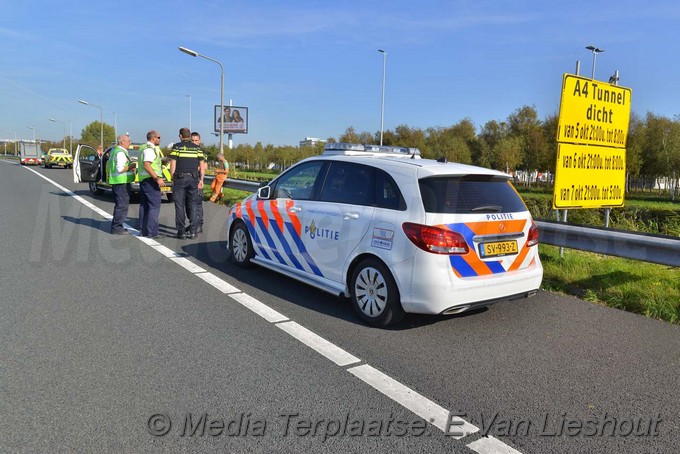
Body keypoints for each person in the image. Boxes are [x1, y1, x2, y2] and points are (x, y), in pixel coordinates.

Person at [169, 127, 204, 239]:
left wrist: (172, 177)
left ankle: (181, 232)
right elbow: (202, 166)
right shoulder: (197, 148)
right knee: (193, 204)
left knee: (180, 206)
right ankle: (193, 232)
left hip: (180, 178)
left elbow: (172, 164)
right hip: (193, 179)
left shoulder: (177, 147)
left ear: (180, 136)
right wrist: (201, 179)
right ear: (189, 136)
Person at [137, 130, 165, 238]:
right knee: (154, 206)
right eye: (158, 137)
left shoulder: (143, 147)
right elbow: (147, 165)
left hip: (144, 180)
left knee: (144, 206)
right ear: (153, 138)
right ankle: (151, 232)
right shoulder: (149, 149)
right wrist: (157, 178)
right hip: (151, 181)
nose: (160, 139)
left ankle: (143, 230)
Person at [108, 134, 136, 234]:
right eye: (128, 140)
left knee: (120, 205)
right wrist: (131, 166)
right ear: (122, 142)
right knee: (122, 206)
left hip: (118, 182)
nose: (130, 142)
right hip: (121, 182)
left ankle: (117, 226)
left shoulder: (115, 151)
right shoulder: (120, 153)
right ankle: (117, 228)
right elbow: (120, 169)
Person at [190, 131, 206, 234]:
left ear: (199, 141)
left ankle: (199, 224)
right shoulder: (188, 152)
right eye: (192, 140)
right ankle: (194, 223)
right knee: (191, 204)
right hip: (189, 180)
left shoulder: (202, 153)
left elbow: (205, 166)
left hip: (198, 180)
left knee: (198, 204)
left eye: (196, 140)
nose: (194, 142)